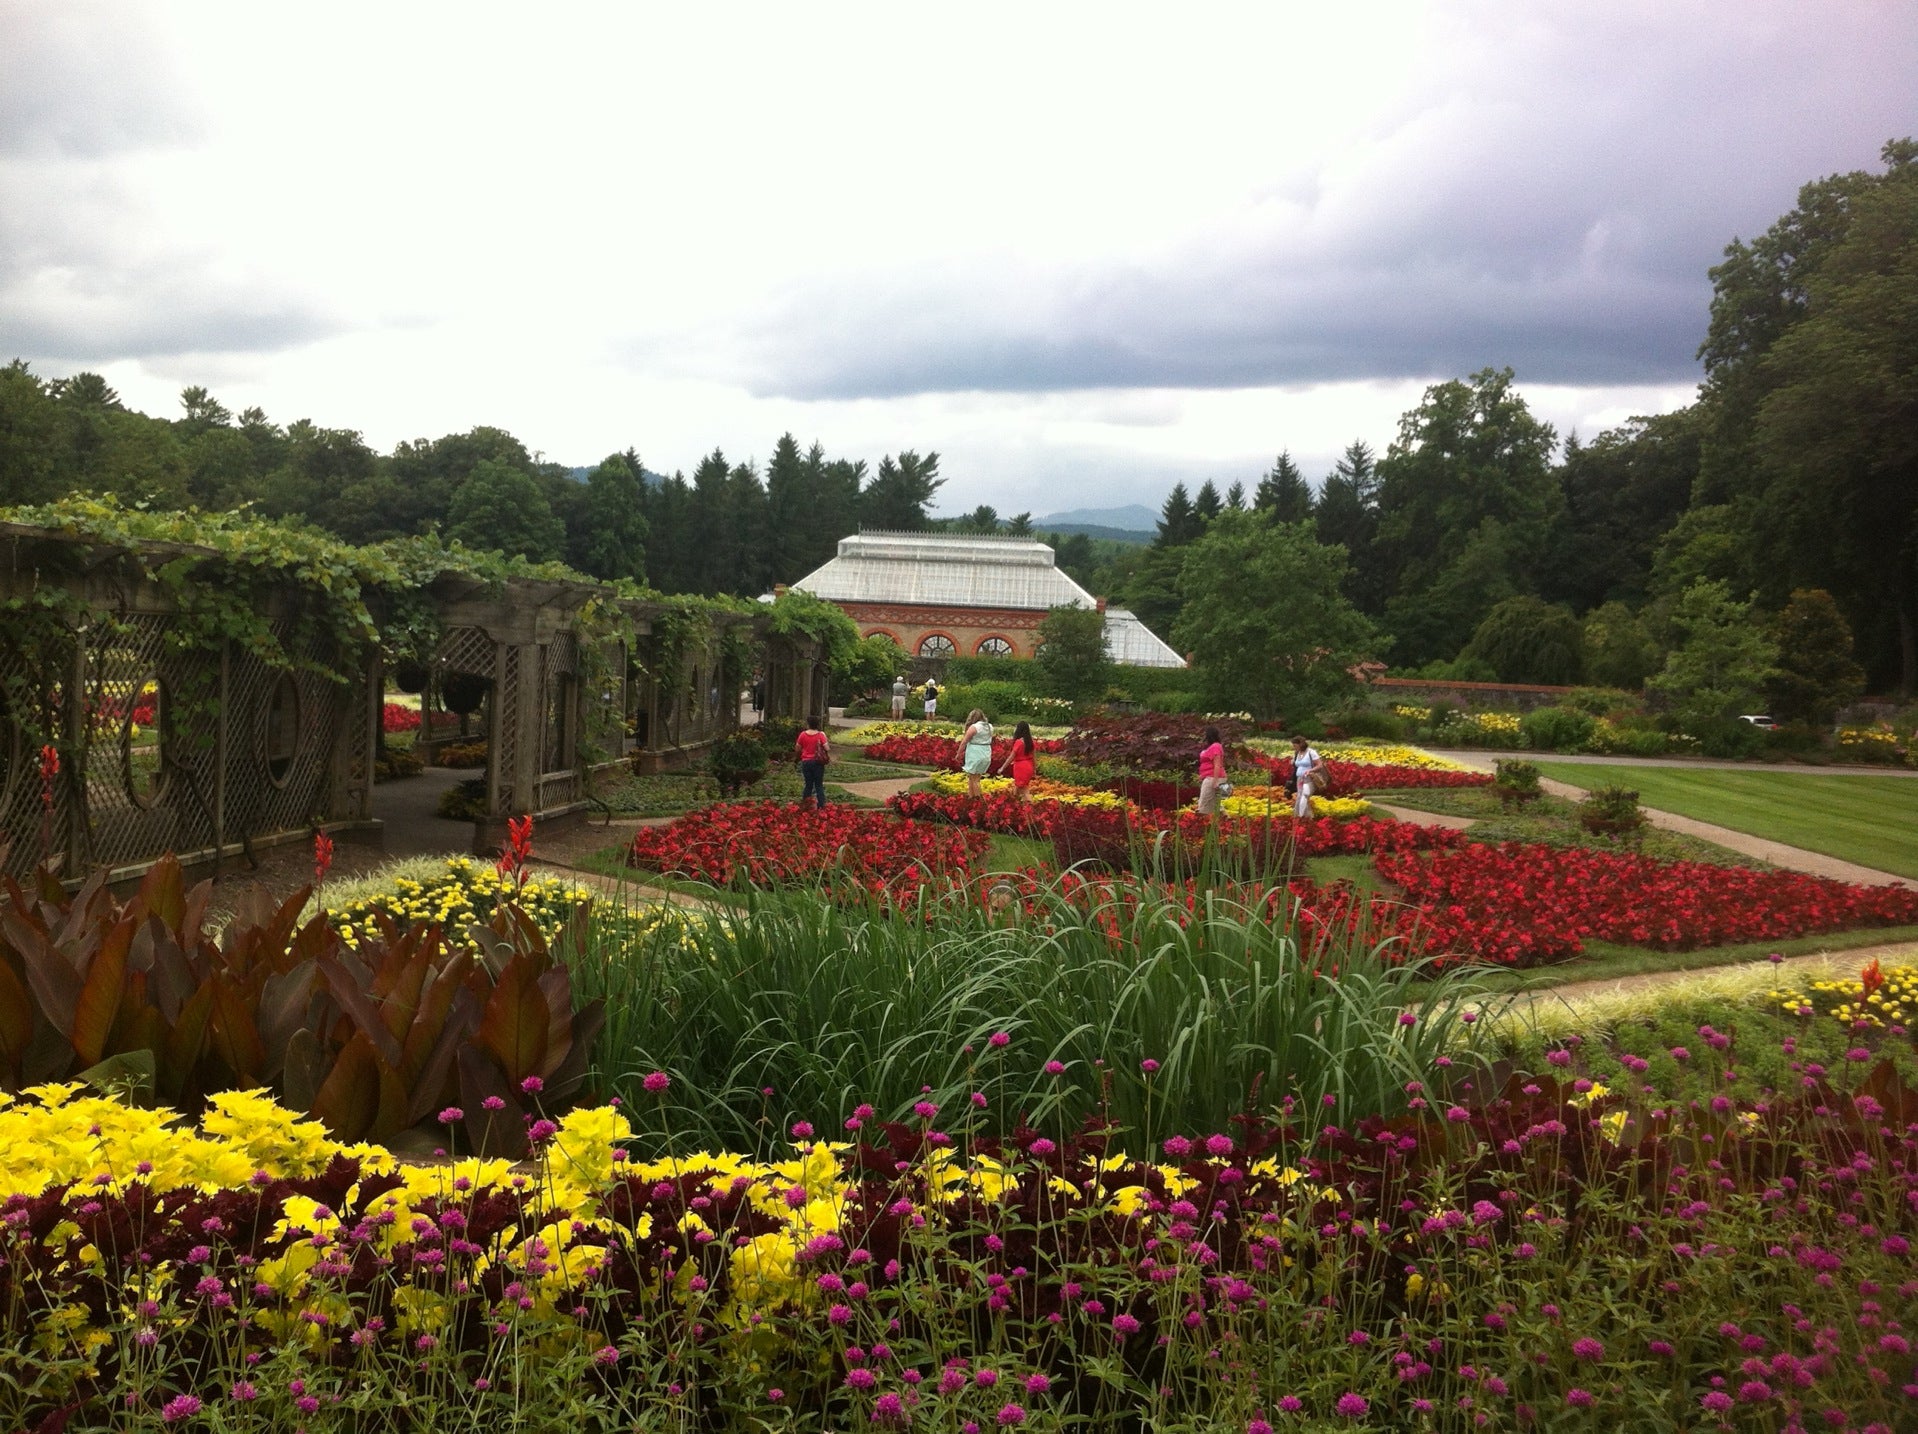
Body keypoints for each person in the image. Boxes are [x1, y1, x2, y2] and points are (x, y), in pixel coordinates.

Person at [994, 719, 1038, 800]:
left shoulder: (1019, 742)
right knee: (1018, 787)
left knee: (1024, 790)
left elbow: (1011, 757)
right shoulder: (1031, 742)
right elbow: (1034, 757)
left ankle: (1030, 805)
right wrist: (1034, 769)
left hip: (1020, 767)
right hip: (1029, 766)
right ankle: (1014, 802)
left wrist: (1002, 768)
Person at [795, 715, 831, 810]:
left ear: (808, 724)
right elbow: (827, 748)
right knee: (819, 785)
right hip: (818, 762)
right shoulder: (820, 735)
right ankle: (821, 806)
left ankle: (806, 804)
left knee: (808, 784)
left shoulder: (803, 734)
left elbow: (797, 748)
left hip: (806, 762)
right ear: (818, 724)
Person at [958, 707, 995, 798]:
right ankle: (971, 796)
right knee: (974, 777)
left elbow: (964, 741)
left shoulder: (974, 727)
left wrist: (958, 753)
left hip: (975, 753)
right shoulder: (989, 726)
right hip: (986, 752)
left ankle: (978, 798)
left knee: (974, 779)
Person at [1195, 725, 1227, 817]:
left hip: (1213, 778)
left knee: (1204, 803)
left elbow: (1217, 764)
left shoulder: (1215, 746)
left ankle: (1203, 822)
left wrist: (1215, 781)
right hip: (1210, 777)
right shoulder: (1213, 747)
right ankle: (1227, 820)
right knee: (1215, 802)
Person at [1291, 733, 1323, 819]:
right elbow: (1297, 765)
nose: (1294, 747)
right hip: (1300, 778)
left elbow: (1319, 765)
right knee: (1300, 796)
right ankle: (1306, 816)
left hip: (1309, 778)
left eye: (1295, 745)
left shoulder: (1311, 752)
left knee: (1304, 795)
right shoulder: (1297, 753)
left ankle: (1300, 816)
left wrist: (1310, 770)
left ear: (1300, 744)